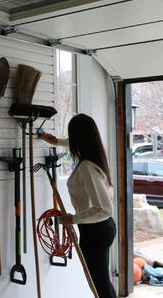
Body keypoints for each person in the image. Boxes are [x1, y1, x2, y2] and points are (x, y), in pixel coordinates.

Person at [41, 114, 117, 298]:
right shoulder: (94, 156)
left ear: (78, 138)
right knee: (101, 282)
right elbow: (72, 142)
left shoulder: (87, 168)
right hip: (98, 228)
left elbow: (105, 208)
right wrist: (56, 141)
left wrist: (73, 219)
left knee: (99, 284)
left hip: (95, 231)